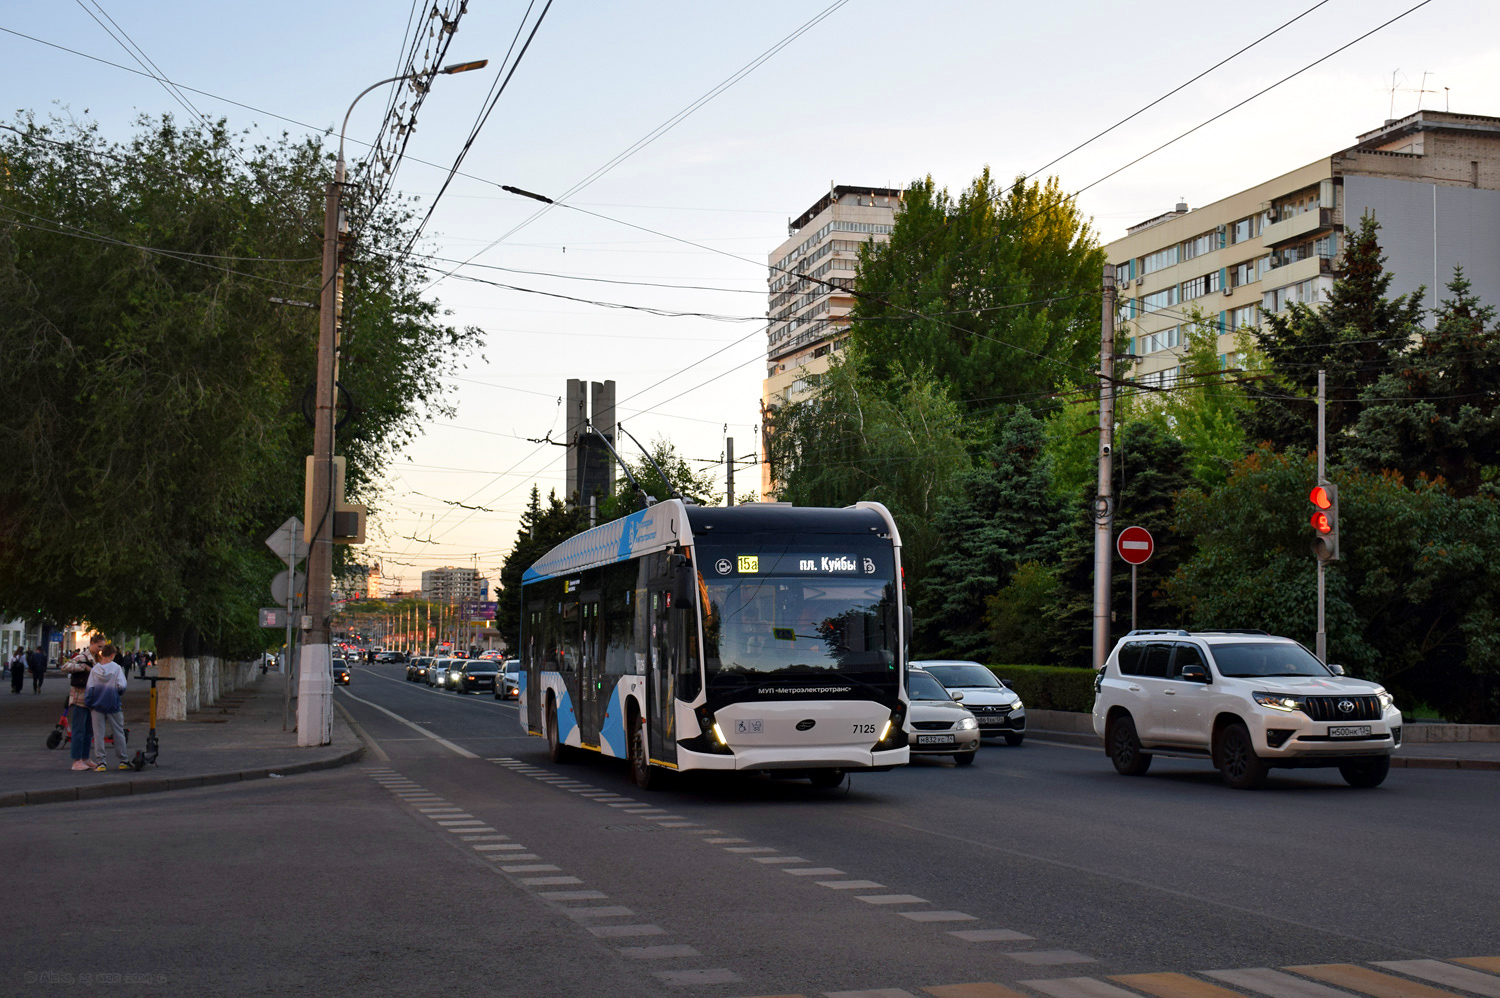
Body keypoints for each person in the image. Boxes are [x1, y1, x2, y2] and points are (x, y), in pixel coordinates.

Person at [86, 643, 130, 771]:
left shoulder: (95, 670)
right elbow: (122, 687)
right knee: (118, 732)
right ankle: (123, 760)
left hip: (97, 705)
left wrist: (90, 703)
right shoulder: (116, 669)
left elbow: (90, 689)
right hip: (113, 704)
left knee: (98, 734)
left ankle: (101, 762)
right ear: (112, 655)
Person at [62, 635, 103, 772]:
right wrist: (83, 667)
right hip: (80, 698)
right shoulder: (83, 657)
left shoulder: (97, 658)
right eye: (99, 646)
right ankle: (76, 760)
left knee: (88, 731)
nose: (100, 650)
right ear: (92, 643)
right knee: (79, 730)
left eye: (102, 647)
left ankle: (85, 758)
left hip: (91, 699)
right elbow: (65, 667)